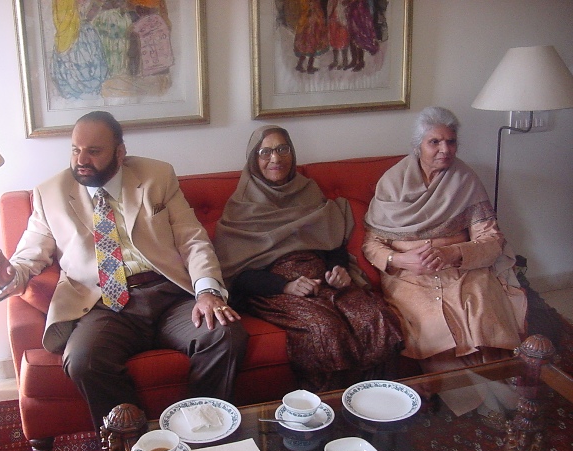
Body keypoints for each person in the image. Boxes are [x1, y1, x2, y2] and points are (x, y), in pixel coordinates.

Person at [0, 111, 248, 432]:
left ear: (120, 152)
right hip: (104, 304)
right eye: (76, 150)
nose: (82, 160)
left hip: (168, 294)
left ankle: (201, 429)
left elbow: (192, 239)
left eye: (94, 151)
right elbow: (29, 256)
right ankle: (131, 441)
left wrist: (206, 292)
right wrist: (8, 275)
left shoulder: (157, 176)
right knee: (84, 360)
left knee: (224, 334)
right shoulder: (49, 194)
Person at [213, 125, 403, 392]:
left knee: (376, 317)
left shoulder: (308, 191)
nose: (276, 158)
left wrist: (338, 270)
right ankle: (328, 406)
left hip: (322, 280)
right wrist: (285, 286)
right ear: (253, 159)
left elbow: (332, 240)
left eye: (282, 149)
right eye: (265, 152)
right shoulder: (241, 206)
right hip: (273, 289)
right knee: (323, 329)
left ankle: (379, 400)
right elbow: (237, 275)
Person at [363, 106, 527, 416]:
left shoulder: (465, 179)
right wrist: (401, 259)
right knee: (433, 323)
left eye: (451, 141)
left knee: (479, 311)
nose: (445, 149)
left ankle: (497, 393)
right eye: (434, 142)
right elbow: (371, 243)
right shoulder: (393, 182)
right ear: (418, 145)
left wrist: (454, 253)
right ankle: (484, 402)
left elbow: (491, 239)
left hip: (461, 267)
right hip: (409, 275)